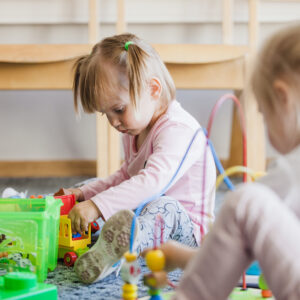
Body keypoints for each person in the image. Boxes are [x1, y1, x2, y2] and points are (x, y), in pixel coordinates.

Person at [142, 24, 300, 300]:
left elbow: (237, 240)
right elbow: (238, 254)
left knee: (246, 201)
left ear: (284, 98)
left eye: (263, 114)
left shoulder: (290, 173)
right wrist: (182, 257)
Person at [55, 33, 216, 284]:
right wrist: (85, 194)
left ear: (153, 89)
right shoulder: (135, 129)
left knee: (165, 206)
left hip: (188, 235)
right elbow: (124, 176)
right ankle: (103, 236)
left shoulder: (178, 129)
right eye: (105, 114)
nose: (114, 122)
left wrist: (97, 205)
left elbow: (151, 183)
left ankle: (120, 250)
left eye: (118, 110)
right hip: (148, 217)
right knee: (90, 187)